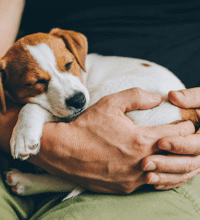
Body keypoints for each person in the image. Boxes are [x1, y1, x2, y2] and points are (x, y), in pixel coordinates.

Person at [1, 0, 200, 219]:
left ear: (77, 54)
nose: (70, 90)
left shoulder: (89, 69)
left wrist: (31, 113)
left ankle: (56, 184)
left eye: (68, 66)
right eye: (36, 82)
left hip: (169, 122)